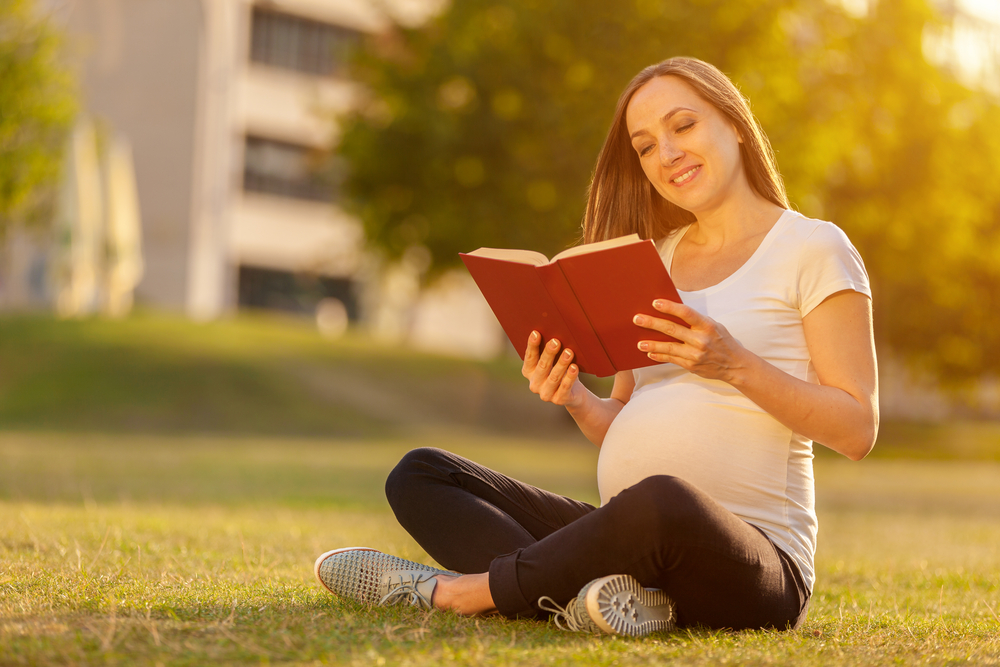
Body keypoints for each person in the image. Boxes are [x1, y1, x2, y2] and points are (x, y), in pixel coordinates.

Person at [314, 56, 878, 635]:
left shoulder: (814, 248)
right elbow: (625, 420)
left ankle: (466, 593)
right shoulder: (652, 260)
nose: (668, 154)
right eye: (646, 145)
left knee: (663, 502)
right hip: (632, 541)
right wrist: (578, 399)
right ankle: (607, 601)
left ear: (735, 122)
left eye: (683, 126)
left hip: (756, 563)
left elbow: (857, 428)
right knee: (423, 475)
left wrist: (733, 364)